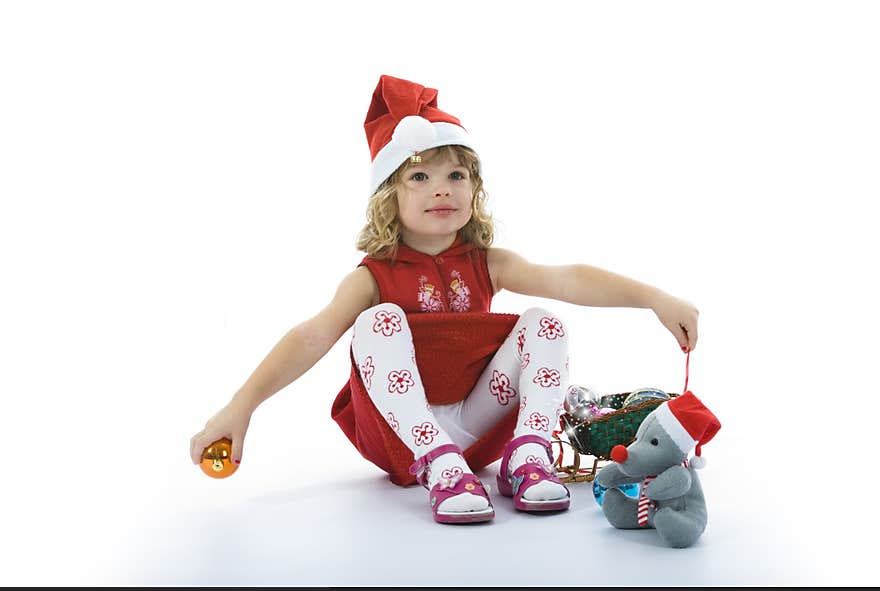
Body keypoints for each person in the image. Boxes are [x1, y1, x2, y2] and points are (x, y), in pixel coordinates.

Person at [189, 74, 699, 525]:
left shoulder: (486, 262)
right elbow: (312, 336)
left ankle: (528, 458)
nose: (442, 190)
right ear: (390, 194)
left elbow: (567, 279)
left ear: (474, 190)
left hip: (478, 424)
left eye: (456, 175)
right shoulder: (373, 277)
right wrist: (241, 408)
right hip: (404, 438)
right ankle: (438, 464)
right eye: (420, 176)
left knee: (544, 319)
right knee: (378, 321)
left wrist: (654, 297)